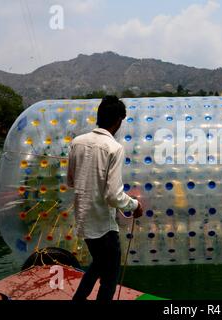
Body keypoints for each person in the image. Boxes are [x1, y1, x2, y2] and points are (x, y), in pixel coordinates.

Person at [67, 95, 143, 301]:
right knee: (109, 281)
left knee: (98, 265)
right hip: (103, 226)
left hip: (84, 220)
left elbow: (71, 181)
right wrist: (135, 205)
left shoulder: (77, 143)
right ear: (118, 121)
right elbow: (113, 195)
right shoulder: (114, 148)